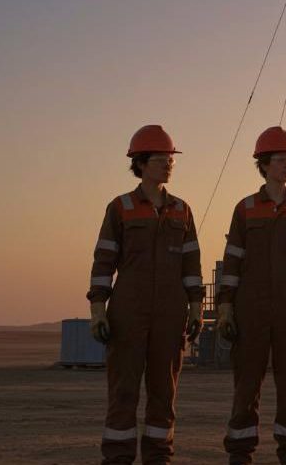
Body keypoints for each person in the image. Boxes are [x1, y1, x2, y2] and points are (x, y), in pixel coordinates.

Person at [87, 125, 204, 464]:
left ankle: (159, 459)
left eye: (171, 159)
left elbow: (192, 264)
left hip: (170, 314)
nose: (168, 165)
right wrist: (98, 310)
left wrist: (196, 307)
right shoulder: (120, 208)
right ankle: (118, 459)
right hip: (128, 312)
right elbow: (104, 261)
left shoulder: (182, 210)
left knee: (164, 394)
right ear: (140, 163)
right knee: (123, 392)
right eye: (160, 159)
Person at [216, 126, 286, 465]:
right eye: (280, 159)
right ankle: (240, 455)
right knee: (246, 386)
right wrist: (225, 307)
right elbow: (232, 262)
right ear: (264, 164)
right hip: (250, 312)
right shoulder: (245, 209)